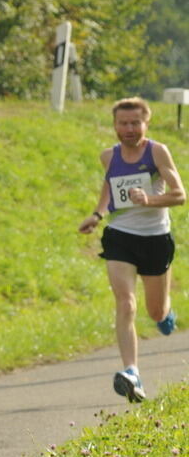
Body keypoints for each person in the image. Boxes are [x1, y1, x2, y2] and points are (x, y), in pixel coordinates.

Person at [78, 97, 185, 402]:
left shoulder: (157, 152)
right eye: (123, 123)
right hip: (120, 236)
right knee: (125, 303)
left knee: (155, 311)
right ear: (115, 125)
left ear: (145, 124)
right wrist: (98, 215)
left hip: (155, 239)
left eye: (135, 123)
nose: (129, 128)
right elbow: (109, 186)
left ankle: (165, 313)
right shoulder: (108, 156)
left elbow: (179, 195)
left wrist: (149, 199)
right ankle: (131, 372)